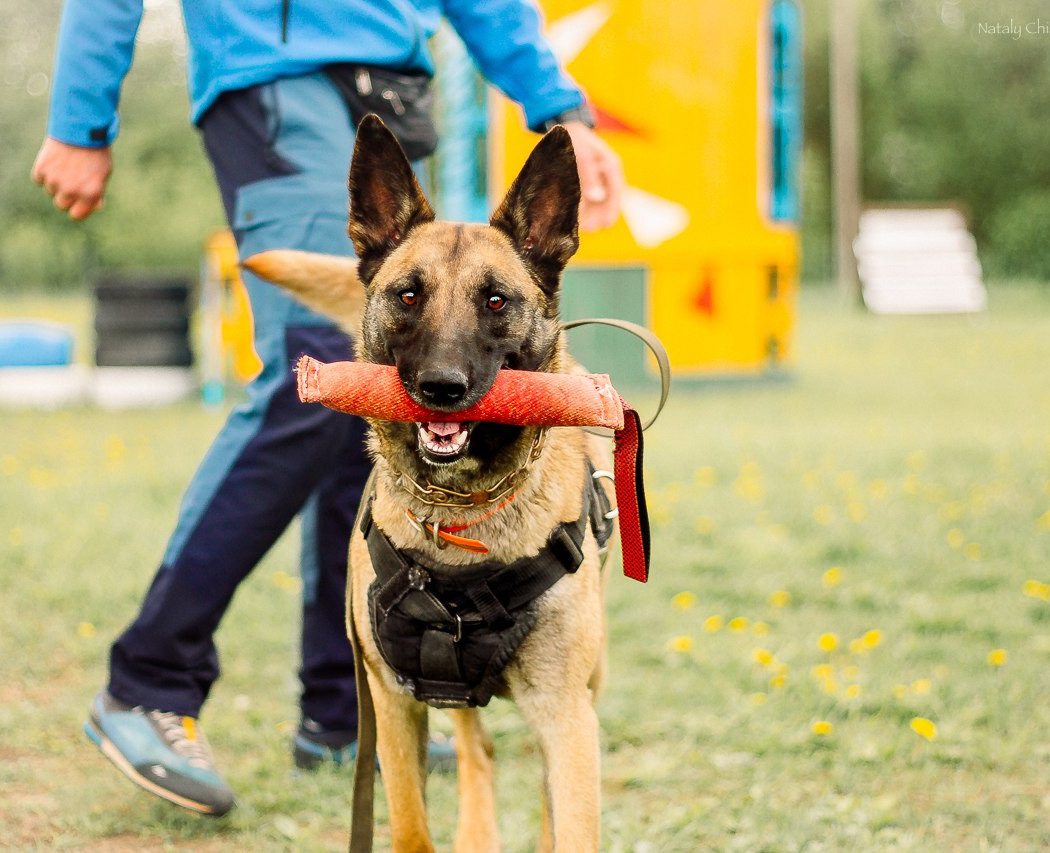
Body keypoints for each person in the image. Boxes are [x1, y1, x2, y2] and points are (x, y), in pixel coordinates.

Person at [33, 0, 624, 818]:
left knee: (403, 389)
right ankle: (149, 679)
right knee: (319, 381)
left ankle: (340, 710)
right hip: (274, 79)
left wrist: (556, 104)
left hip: (392, 83)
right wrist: (79, 116)